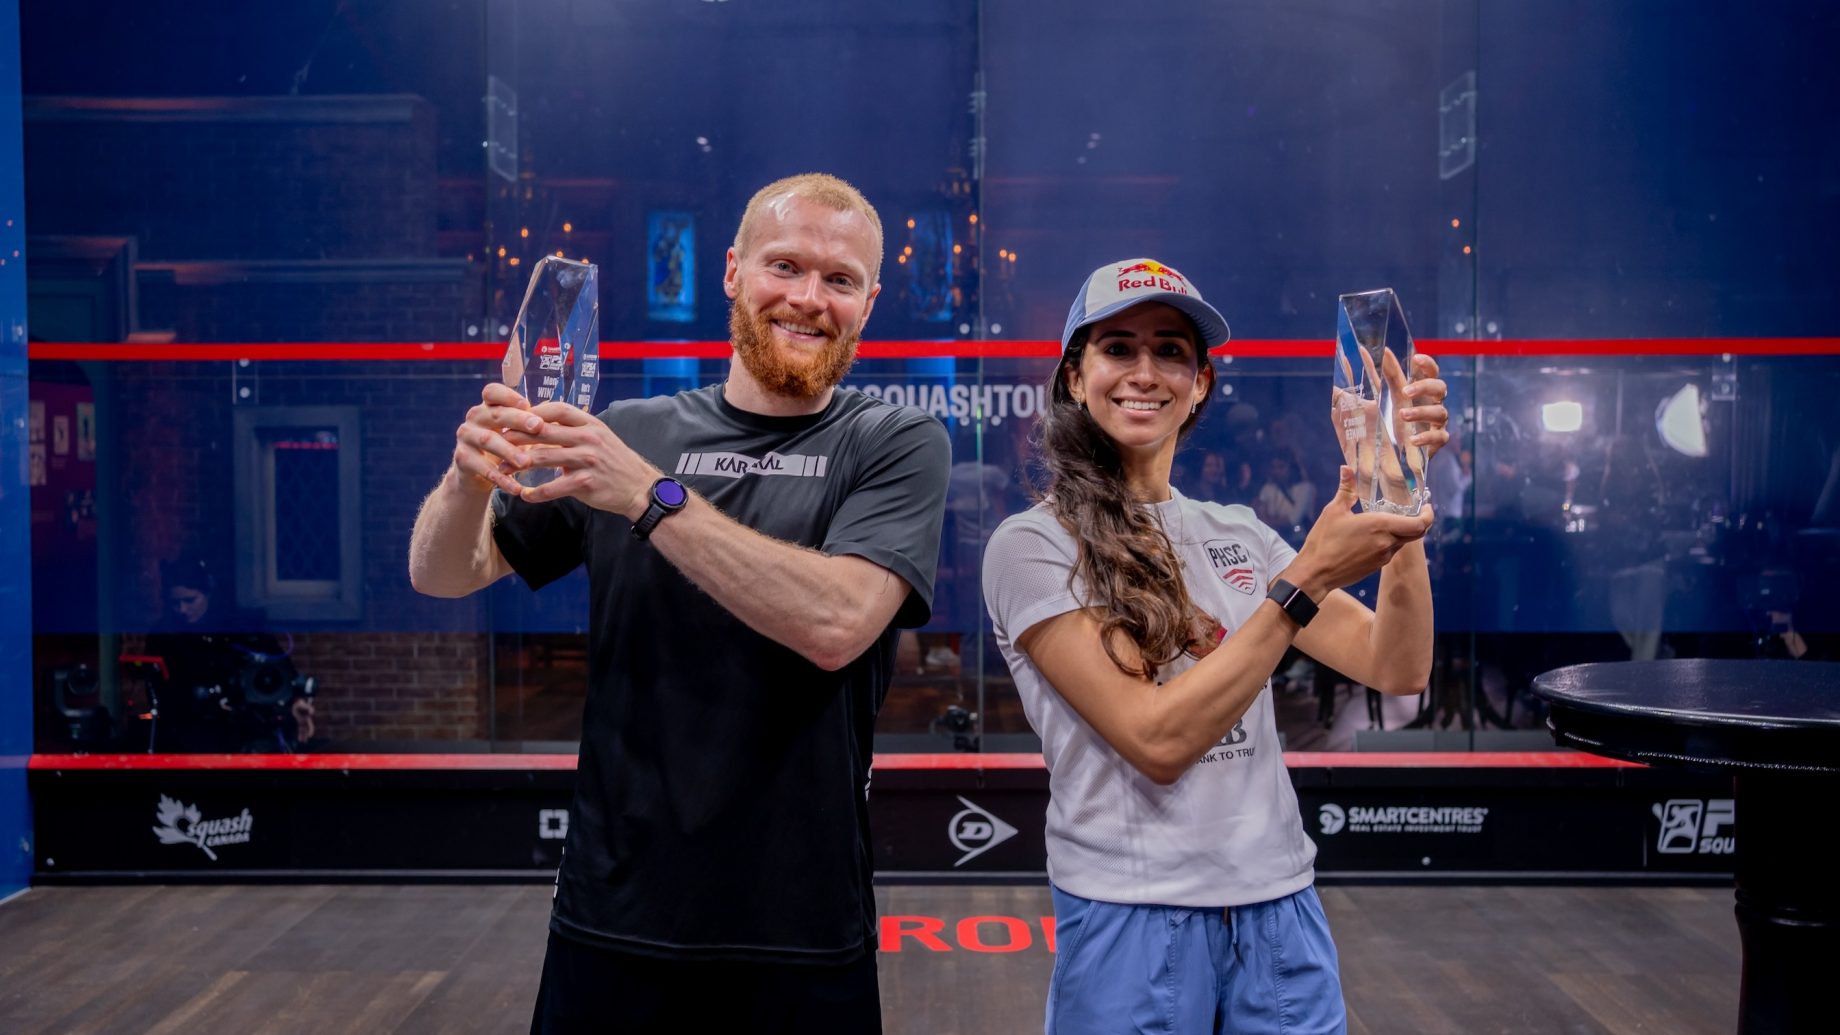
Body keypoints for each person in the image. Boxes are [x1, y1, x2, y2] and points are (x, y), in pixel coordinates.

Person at [408, 172, 950, 1034]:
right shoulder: (631, 430)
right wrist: (467, 479)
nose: (809, 298)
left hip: (800, 928)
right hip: (612, 916)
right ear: (732, 271)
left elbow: (838, 624)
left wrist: (649, 498)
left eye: (840, 279)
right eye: (785, 266)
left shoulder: (893, 442)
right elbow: (443, 573)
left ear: (870, 301)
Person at [982, 258, 1447, 1033]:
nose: (1145, 371)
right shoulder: (1032, 544)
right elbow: (1156, 737)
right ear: (1074, 376)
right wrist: (1302, 581)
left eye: (1171, 351)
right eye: (1118, 348)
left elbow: (1396, 664)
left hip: (1278, 906)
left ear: (1200, 383)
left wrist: (1396, 491)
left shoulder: (1236, 531)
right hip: (1132, 915)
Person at [142, 557, 317, 752]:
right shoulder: (163, 635)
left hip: (242, 734)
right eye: (175, 603)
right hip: (186, 735)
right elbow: (158, 690)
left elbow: (280, 674)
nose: (182, 609)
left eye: (190, 600)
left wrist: (295, 702)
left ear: (207, 593)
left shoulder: (238, 628)